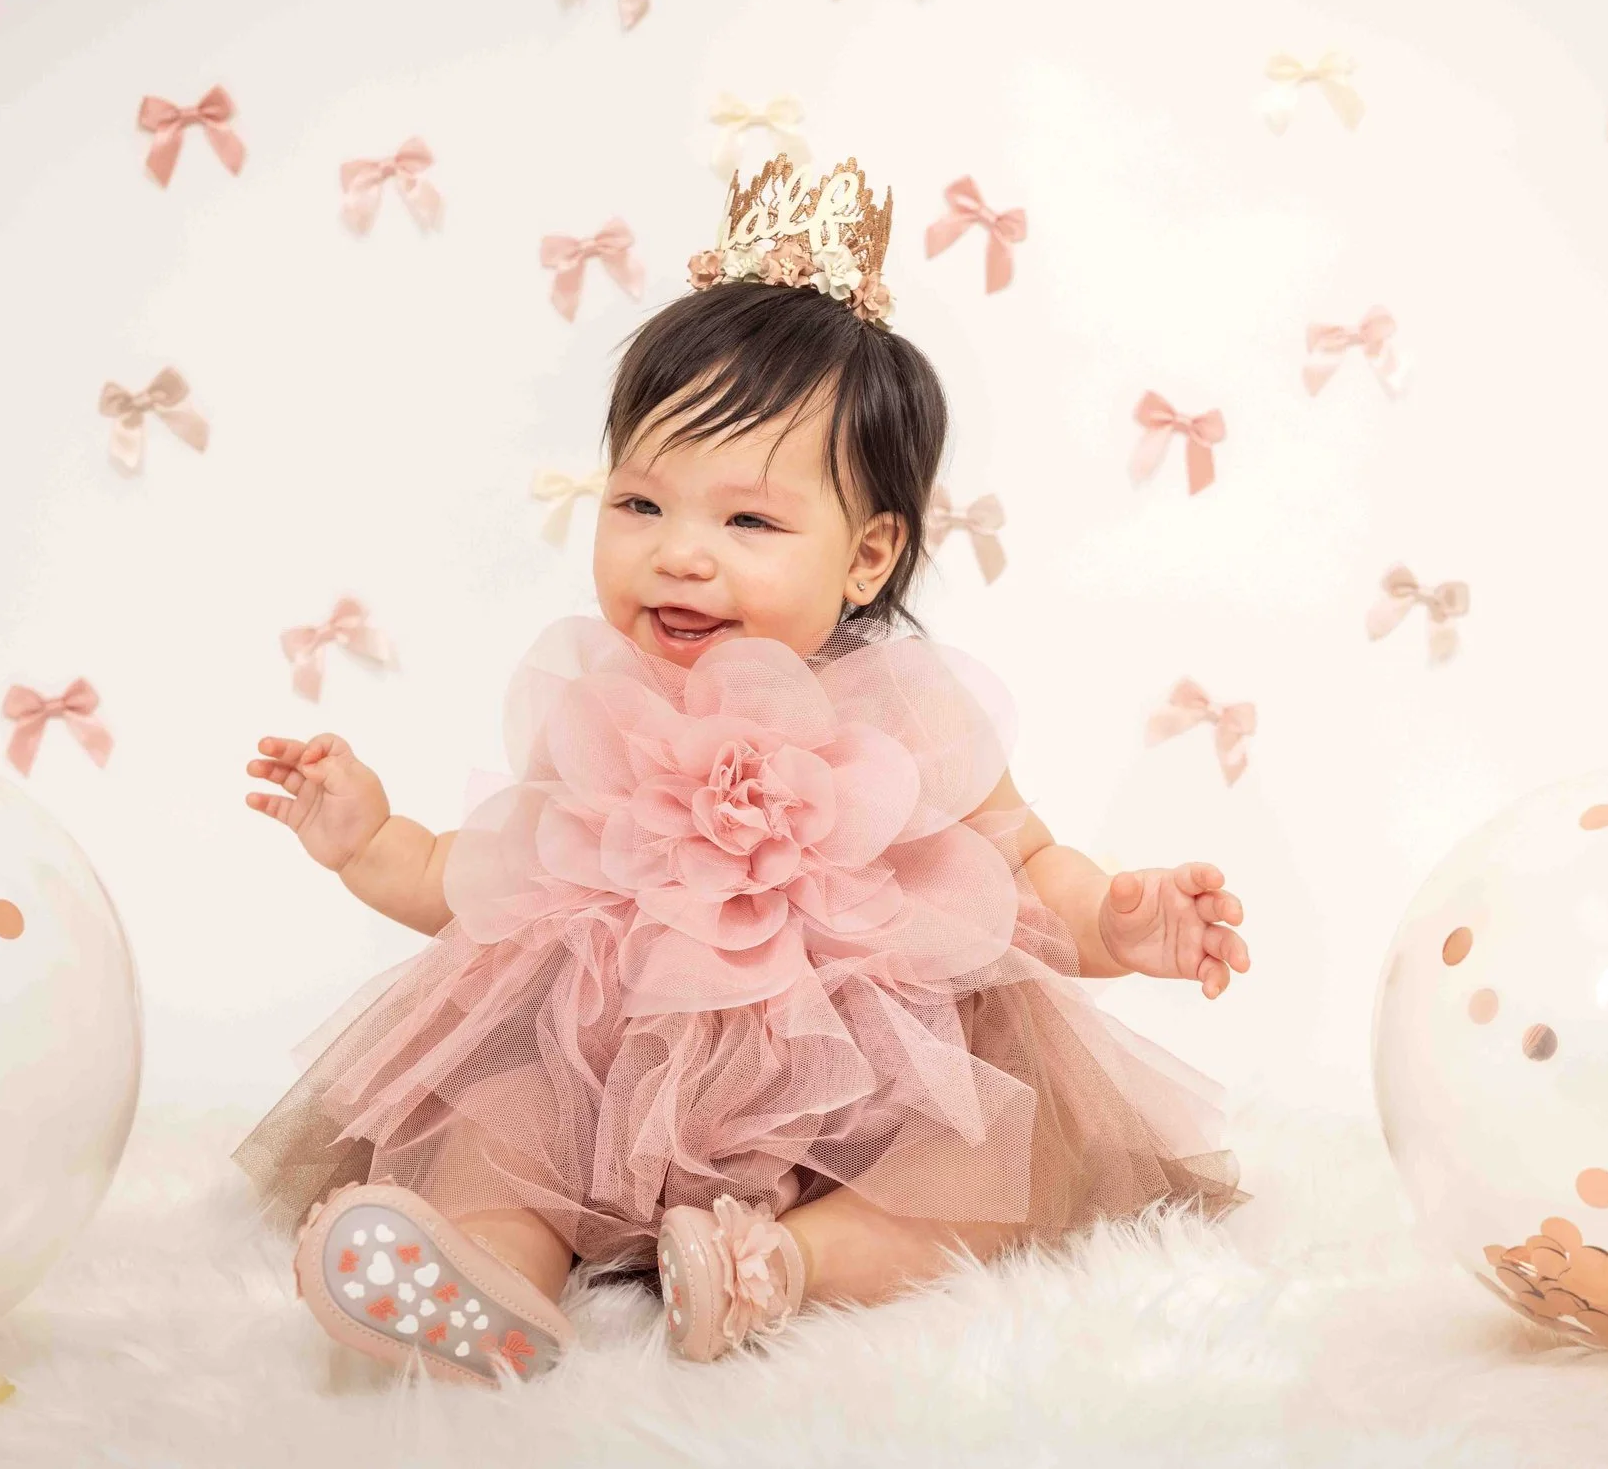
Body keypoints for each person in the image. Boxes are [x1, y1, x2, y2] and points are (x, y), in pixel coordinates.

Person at [233, 156, 1248, 1388]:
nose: (679, 555)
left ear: (868, 554)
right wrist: (369, 839)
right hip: (608, 1087)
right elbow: (481, 882)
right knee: (496, 1120)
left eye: (748, 521)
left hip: (851, 1103)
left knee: (980, 1165)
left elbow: (1022, 869)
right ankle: (483, 1277)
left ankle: (776, 1265)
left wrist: (1115, 921)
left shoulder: (907, 710)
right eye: (640, 504)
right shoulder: (602, 703)